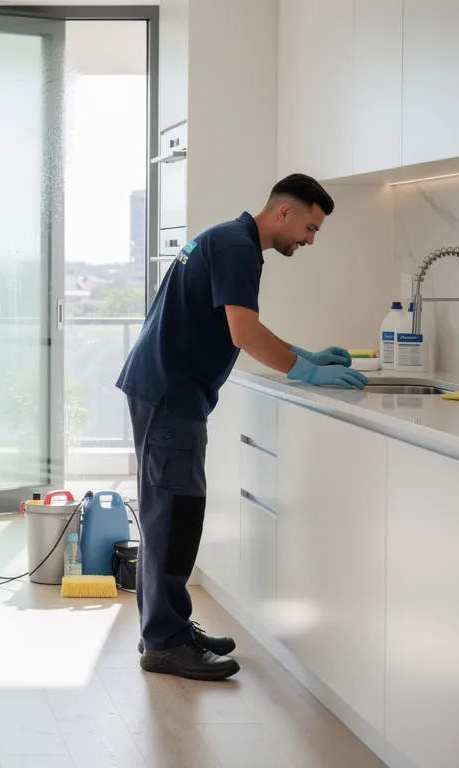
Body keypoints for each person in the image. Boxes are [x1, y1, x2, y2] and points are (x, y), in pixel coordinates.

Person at [116, 174, 366, 681]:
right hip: (170, 394)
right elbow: (244, 333)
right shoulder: (237, 248)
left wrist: (302, 354)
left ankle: (168, 628)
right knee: (173, 519)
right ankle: (164, 642)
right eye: (310, 228)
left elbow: (242, 322)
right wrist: (305, 371)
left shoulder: (229, 239)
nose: (310, 240)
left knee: (174, 514)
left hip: (164, 389)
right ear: (284, 212)